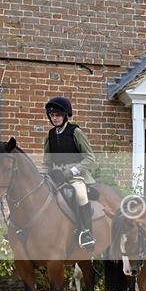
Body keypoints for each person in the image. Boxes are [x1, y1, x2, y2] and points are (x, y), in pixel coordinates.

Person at [41, 96, 97, 250]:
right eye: (52, 116)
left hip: (76, 175)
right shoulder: (50, 135)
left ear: (65, 115)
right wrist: (42, 174)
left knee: (80, 194)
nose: (55, 118)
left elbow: (90, 157)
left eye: (58, 115)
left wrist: (71, 171)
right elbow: (47, 162)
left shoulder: (75, 132)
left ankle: (87, 233)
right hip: (55, 175)